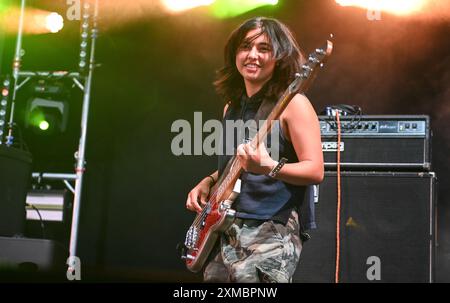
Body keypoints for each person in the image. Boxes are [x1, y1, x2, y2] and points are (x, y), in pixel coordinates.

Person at [185, 17, 324, 283]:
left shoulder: (295, 104)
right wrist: (210, 180)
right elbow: (239, 162)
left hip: (270, 230)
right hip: (225, 229)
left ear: (280, 56)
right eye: (246, 46)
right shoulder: (232, 106)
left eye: (264, 48)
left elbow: (315, 169)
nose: (253, 55)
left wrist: (270, 167)